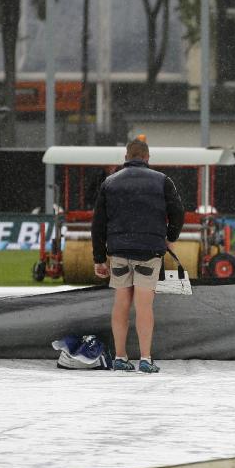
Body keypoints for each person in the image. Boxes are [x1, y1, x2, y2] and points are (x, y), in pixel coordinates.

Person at [91, 139, 185, 373]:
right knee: (144, 306)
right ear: (147, 158)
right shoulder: (163, 181)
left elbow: (98, 224)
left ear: (125, 157)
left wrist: (98, 258)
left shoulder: (109, 182)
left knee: (121, 304)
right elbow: (178, 213)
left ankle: (120, 357)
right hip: (149, 250)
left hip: (119, 251)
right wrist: (169, 236)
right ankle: (145, 358)